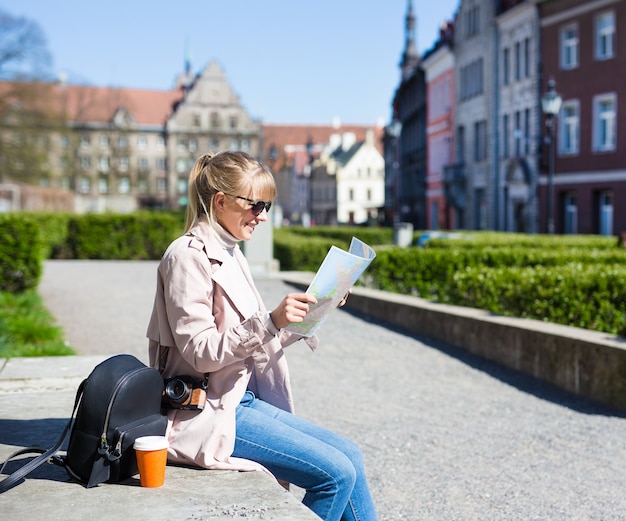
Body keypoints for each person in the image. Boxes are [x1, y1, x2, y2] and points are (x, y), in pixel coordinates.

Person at [147, 151, 378, 521]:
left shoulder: (231, 252)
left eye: (268, 205)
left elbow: (255, 342)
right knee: (335, 476)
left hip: (242, 400)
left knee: (350, 455)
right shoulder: (186, 256)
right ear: (220, 202)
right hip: (208, 410)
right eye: (255, 205)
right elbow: (200, 352)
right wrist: (270, 321)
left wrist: (312, 311)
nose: (263, 216)